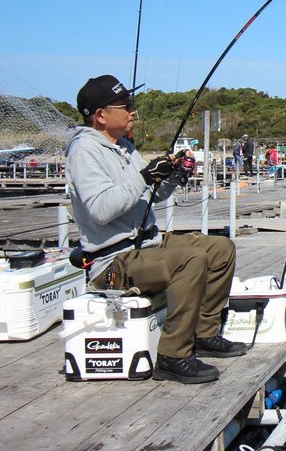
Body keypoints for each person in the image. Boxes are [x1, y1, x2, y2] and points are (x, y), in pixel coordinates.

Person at [66, 74, 246, 385]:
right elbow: (101, 209)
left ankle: (204, 333)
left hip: (146, 246)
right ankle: (173, 355)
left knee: (220, 249)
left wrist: (173, 174)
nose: (132, 111)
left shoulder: (123, 147)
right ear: (101, 116)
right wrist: (145, 176)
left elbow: (152, 196)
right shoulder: (84, 150)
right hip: (115, 260)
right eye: (125, 106)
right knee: (191, 259)